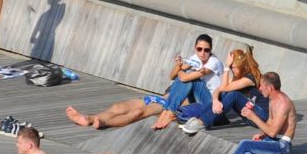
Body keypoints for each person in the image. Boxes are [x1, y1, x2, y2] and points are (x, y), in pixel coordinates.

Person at [65, 36, 219, 130]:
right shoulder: (195, 58)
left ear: (211, 50)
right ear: (195, 48)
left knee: (138, 113)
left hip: (182, 103)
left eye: (206, 50)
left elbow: (183, 79)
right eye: (199, 49)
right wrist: (179, 65)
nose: (202, 53)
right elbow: (172, 76)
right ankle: (88, 118)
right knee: (119, 106)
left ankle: (105, 122)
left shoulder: (213, 62)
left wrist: (182, 71)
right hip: (167, 97)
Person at [193, 73, 297, 154]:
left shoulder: (283, 103)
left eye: (262, 86)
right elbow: (270, 124)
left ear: (270, 87)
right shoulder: (272, 99)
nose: (259, 89)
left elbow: (273, 132)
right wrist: (261, 134)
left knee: (245, 144)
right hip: (272, 140)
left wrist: (253, 116)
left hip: (282, 146)